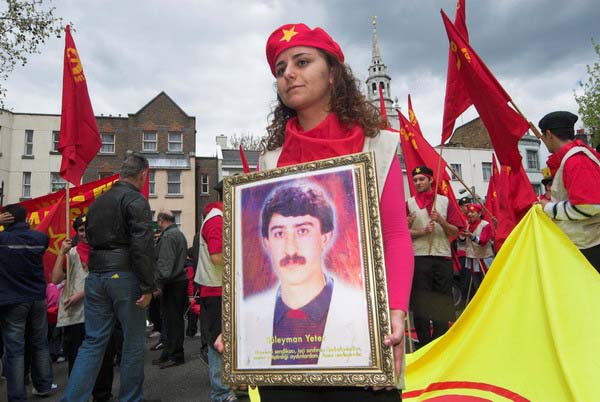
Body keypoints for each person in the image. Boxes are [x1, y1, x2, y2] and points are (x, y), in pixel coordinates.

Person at [217, 22, 414, 401]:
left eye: (302, 61)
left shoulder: (379, 145)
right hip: (285, 352)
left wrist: (396, 313)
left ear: (333, 72)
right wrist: (240, 324)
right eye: (280, 69)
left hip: (362, 337)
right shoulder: (270, 159)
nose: (288, 73)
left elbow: (395, 235)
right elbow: (253, 257)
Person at [239, 183, 370, 368]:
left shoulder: (363, 313)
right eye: (279, 233)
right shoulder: (246, 317)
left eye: (302, 231)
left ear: (325, 237)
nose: (290, 249)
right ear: (266, 242)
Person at [61, 152, 157, 402]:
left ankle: (72, 399)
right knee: (133, 342)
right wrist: (148, 286)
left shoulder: (96, 204)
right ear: (142, 175)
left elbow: (89, 240)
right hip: (124, 275)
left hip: (96, 276)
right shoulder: (136, 200)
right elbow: (143, 246)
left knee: (93, 342)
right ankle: (130, 398)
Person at [51, 215, 115, 402]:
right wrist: (61, 253)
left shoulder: (104, 253)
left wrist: (81, 294)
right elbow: (55, 279)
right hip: (78, 316)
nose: (85, 233)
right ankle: (79, 395)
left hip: (101, 311)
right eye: (81, 230)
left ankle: (102, 395)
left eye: (88, 229)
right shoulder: (71, 253)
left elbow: (107, 281)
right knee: (77, 357)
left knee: (104, 357)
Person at [0, 204, 54, 401]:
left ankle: (16, 396)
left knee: (14, 349)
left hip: (12, 300)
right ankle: (44, 385)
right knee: (40, 342)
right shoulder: (39, 239)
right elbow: (45, 240)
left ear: (7, 218)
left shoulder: (2, 240)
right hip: (37, 298)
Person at [407, 166, 463, 348]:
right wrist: (422, 231)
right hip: (420, 257)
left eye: (421, 179)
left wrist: (441, 221)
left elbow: (456, 230)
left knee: (442, 302)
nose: (417, 183)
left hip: (441, 257)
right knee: (421, 302)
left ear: (431, 180)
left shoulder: (445, 202)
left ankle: (440, 344)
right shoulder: (409, 203)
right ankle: (423, 344)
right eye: (415, 180)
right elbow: (402, 233)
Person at [538, 111, 600, 272]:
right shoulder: (576, 157)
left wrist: (548, 208)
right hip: (586, 244)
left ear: (549, 134)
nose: (543, 141)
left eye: (542, 136)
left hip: (589, 247)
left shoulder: (576, 160)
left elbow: (590, 206)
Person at [194, 181, 237, 402]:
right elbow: (217, 257)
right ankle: (221, 393)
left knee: (224, 340)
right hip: (216, 290)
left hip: (221, 289)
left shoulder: (219, 217)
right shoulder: (217, 220)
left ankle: (227, 389)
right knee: (218, 342)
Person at [152, 211, 188, 369]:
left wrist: (158, 284)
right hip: (178, 281)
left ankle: (174, 354)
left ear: (161, 221)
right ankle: (169, 353)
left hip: (172, 283)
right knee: (174, 320)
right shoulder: (178, 234)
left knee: (172, 321)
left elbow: (165, 263)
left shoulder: (167, 237)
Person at [458, 204, 494, 301]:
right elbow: (462, 241)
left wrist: (471, 236)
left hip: (484, 258)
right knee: (476, 285)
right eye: (469, 212)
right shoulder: (468, 225)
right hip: (473, 258)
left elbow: (483, 241)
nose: (470, 214)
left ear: (479, 213)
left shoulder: (485, 225)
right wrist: (461, 234)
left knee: (486, 285)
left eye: (473, 212)